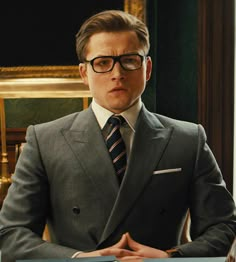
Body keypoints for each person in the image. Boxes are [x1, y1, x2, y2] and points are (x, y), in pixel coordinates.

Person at [0, 9, 235, 262]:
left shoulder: (189, 139)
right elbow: (12, 234)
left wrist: (170, 257)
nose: (117, 73)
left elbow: (223, 226)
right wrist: (80, 259)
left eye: (130, 60)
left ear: (147, 68)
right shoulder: (44, 140)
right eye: (102, 63)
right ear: (83, 74)